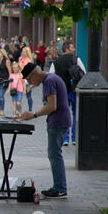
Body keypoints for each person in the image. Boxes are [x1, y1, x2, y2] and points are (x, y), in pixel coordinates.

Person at [19, 63, 71, 199]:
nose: (30, 83)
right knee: (54, 154)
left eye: (29, 80)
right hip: (58, 121)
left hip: (58, 121)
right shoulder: (51, 79)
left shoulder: (49, 81)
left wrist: (33, 114)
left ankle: (60, 188)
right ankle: (58, 187)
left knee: (54, 155)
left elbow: (52, 106)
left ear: (35, 74)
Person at [49, 40, 86, 146]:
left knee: (63, 115)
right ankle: (74, 138)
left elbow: (50, 76)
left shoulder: (56, 62)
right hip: (74, 91)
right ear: (66, 49)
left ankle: (65, 139)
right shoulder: (76, 59)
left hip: (61, 92)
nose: (74, 49)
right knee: (75, 114)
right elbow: (84, 72)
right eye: (72, 47)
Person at [0, 48, 11, 116]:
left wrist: (10, 81)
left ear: (3, 54)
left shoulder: (6, 61)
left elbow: (10, 72)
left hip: (5, 81)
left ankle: (2, 110)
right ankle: (0, 105)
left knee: (1, 96)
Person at [18, 46, 34, 112]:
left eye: (24, 52)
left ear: (27, 53)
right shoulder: (20, 59)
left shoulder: (29, 60)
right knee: (19, 94)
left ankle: (30, 109)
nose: (22, 53)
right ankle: (18, 109)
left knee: (28, 95)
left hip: (27, 79)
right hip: (20, 78)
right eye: (22, 51)